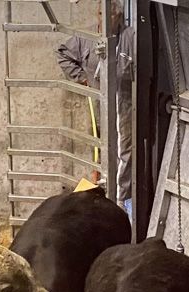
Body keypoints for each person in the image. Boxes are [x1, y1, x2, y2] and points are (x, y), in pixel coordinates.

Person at [57, 1, 134, 214]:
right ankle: (100, 196)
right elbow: (63, 54)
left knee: (124, 150)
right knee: (99, 150)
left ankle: (120, 201)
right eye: (101, 14)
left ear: (118, 17)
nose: (105, 20)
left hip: (124, 105)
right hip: (98, 105)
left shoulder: (130, 37)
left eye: (111, 16)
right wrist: (82, 79)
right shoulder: (85, 38)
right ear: (97, 15)